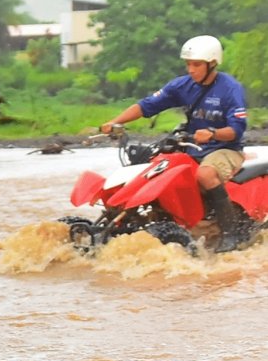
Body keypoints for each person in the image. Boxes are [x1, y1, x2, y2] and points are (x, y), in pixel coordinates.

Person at [99, 35, 252, 251]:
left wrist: (212, 133)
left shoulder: (230, 88)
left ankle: (231, 234)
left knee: (205, 175)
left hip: (224, 149)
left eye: (196, 65)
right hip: (191, 148)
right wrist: (115, 122)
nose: (191, 69)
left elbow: (236, 130)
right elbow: (146, 106)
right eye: (188, 64)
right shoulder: (183, 85)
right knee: (157, 170)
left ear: (212, 63)